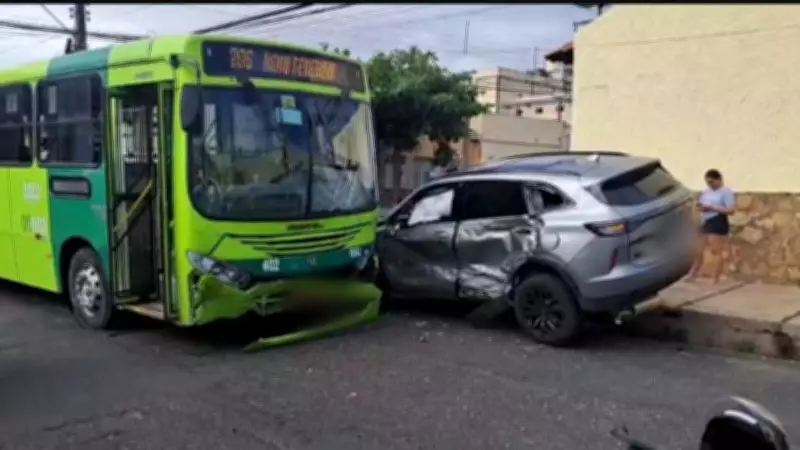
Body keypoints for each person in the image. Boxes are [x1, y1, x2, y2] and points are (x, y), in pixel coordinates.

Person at [687, 169, 735, 284]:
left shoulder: (726, 192)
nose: (710, 185)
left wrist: (713, 208)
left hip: (718, 219)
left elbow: (731, 210)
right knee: (699, 249)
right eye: (708, 182)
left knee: (715, 250)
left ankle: (715, 278)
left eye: (712, 182)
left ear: (719, 180)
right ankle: (692, 274)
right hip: (706, 220)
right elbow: (702, 205)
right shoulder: (706, 192)